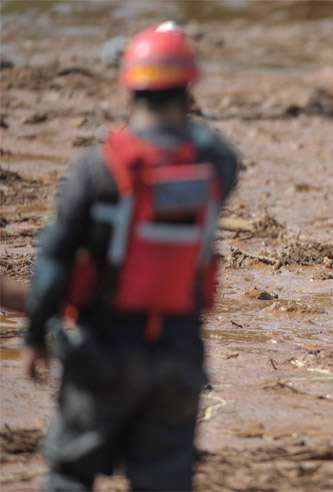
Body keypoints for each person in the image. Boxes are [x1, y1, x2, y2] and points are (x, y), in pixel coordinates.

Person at [23, 22, 239, 491]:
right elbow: (214, 147)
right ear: (189, 89)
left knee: (70, 473)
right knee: (164, 481)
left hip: (103, 346)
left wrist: (36, 333)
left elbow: (54, 261)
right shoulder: (216, 167)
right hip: (179, 351)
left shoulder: (95, 170)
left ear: (129, 88)